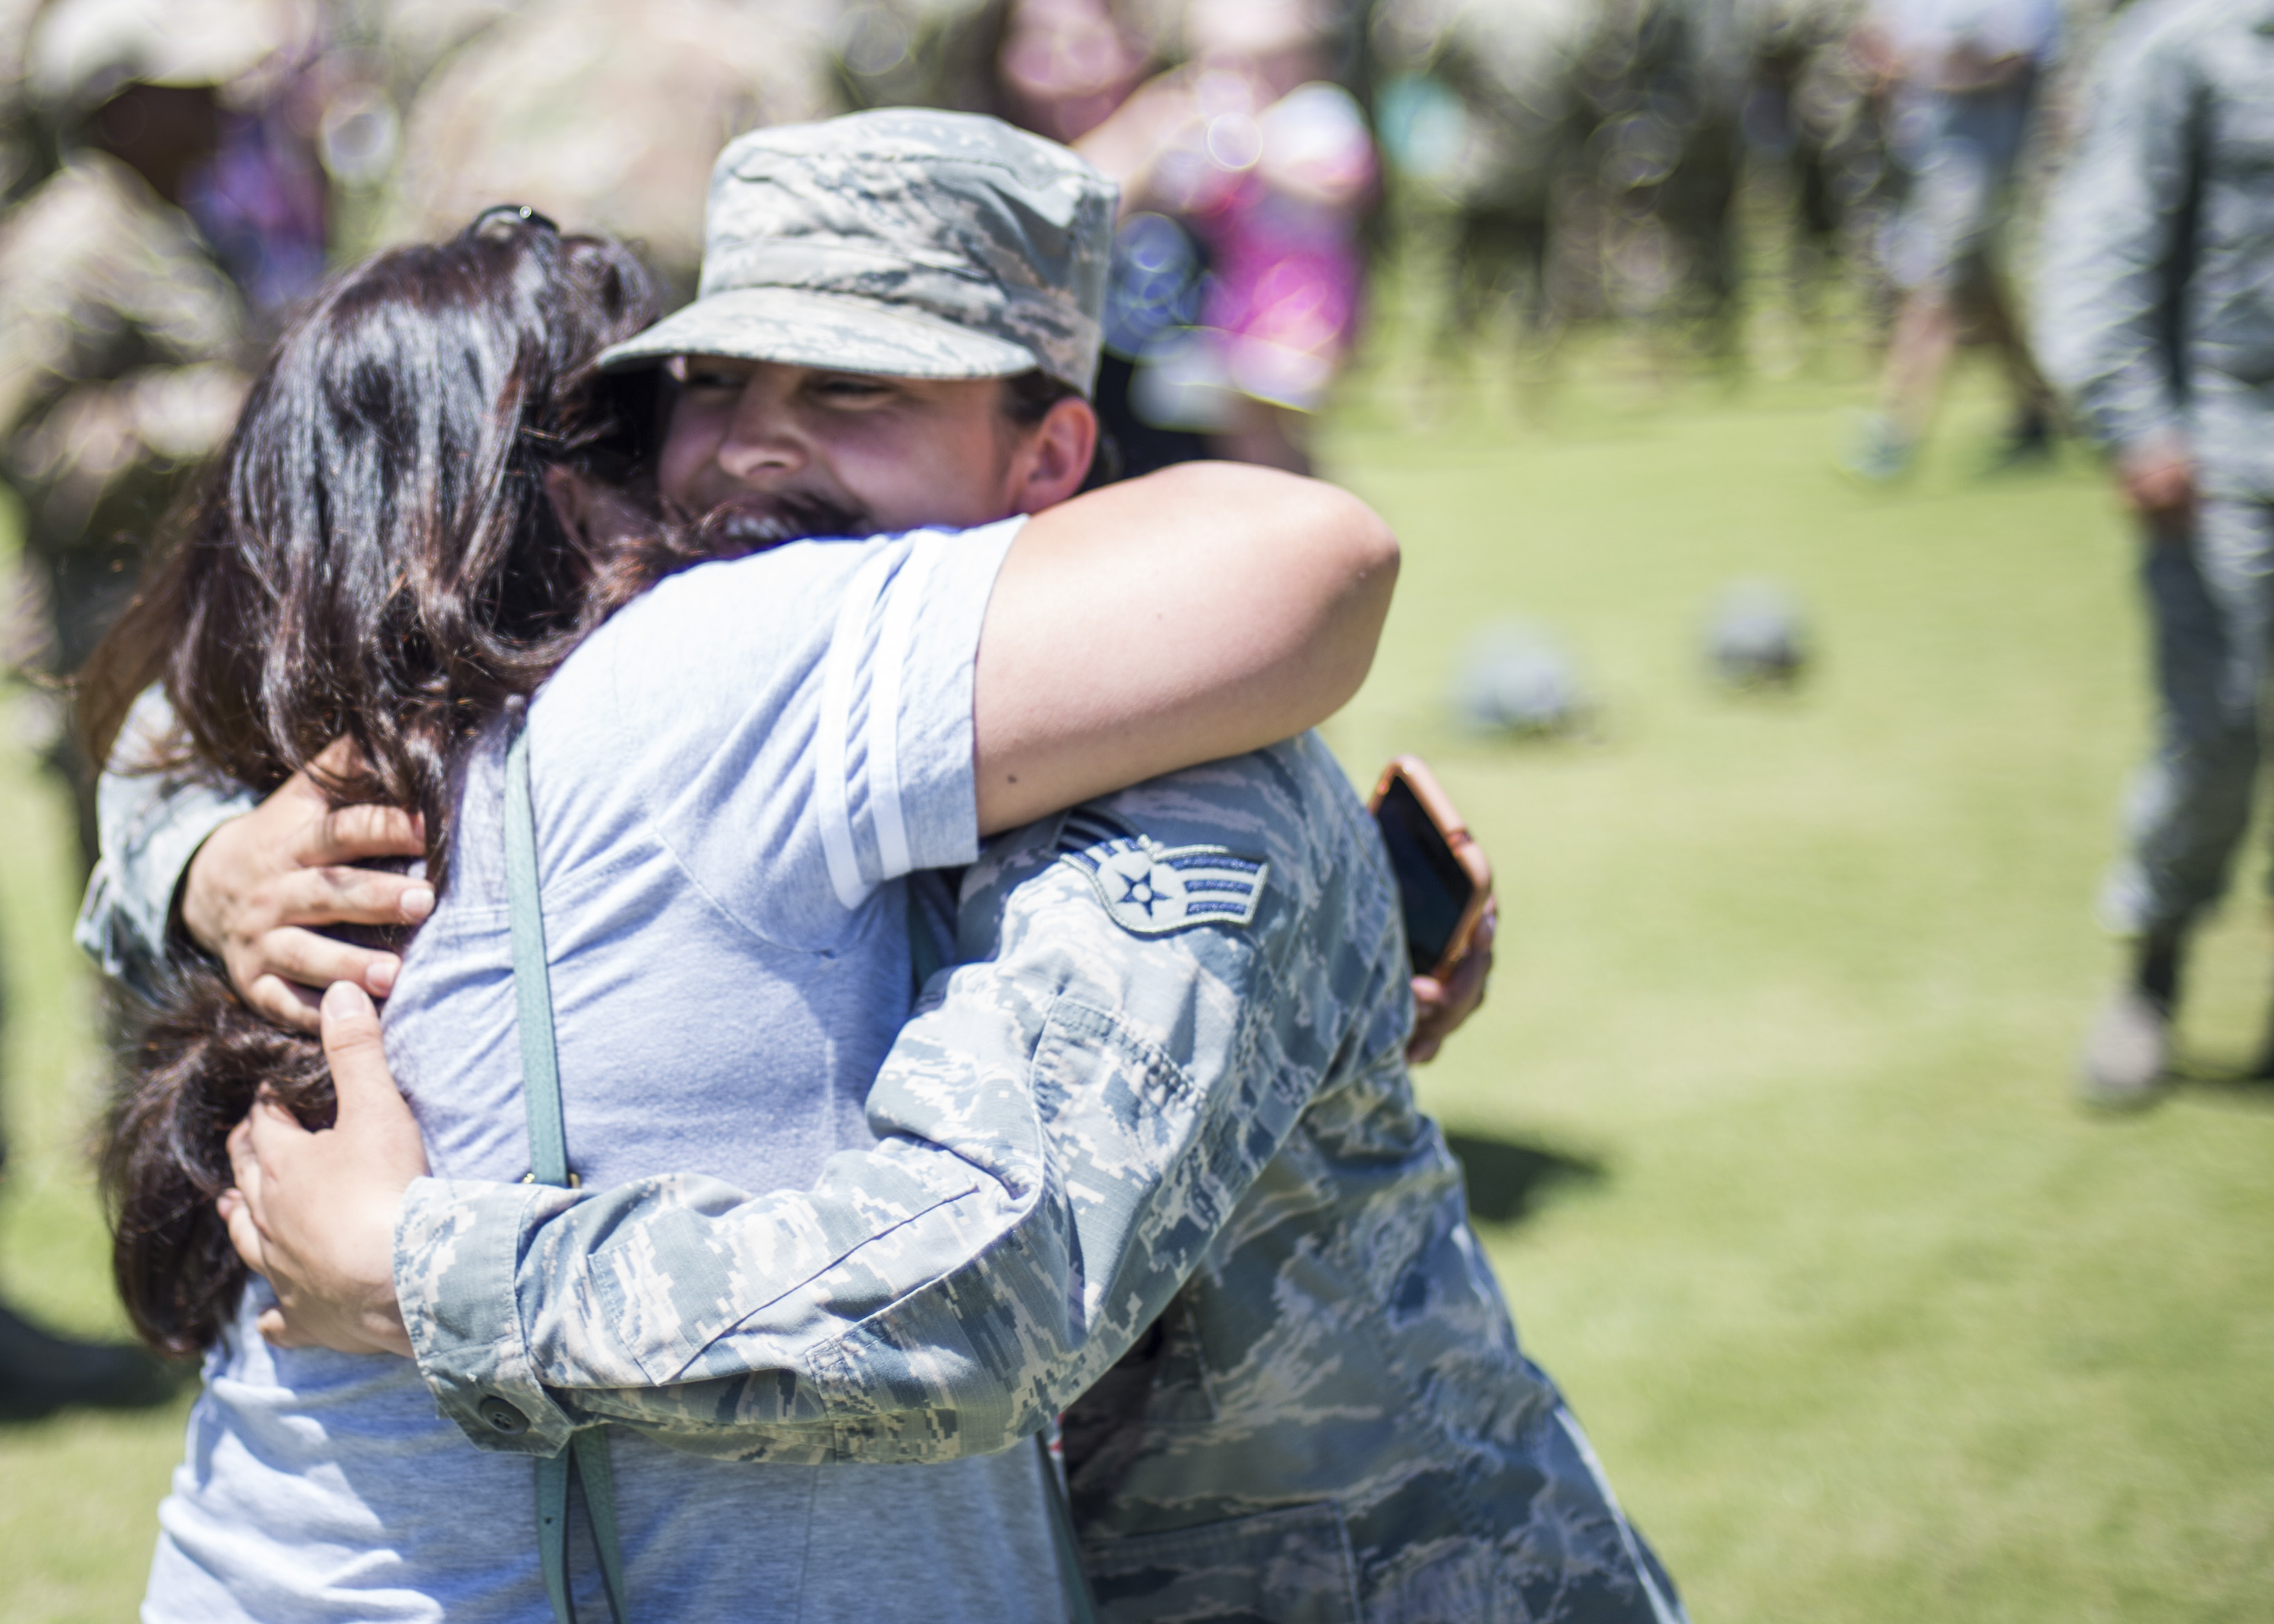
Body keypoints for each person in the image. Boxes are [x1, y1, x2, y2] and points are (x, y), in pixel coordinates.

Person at [100, 110, 1679, 1621]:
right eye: (712, 385)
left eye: (860, 391)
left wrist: (421, 1266)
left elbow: (982, 1300)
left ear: (1050, 454)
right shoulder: (753, 678)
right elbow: (313, 631)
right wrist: (201, 856)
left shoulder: (1184, 782)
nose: (755, 445)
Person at [2037, 0, 2274, 1106]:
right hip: (2228, 445)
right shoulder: (2194, 41)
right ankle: (2153, 970)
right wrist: (2131, 422)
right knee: (2218, 723)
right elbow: (2105, 232)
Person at [1844, 0, 2062, 480]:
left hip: (1980, 155)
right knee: (1981, 286)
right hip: (1916, 147)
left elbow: (2013, 61)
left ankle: (1892, 431)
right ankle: (2037, 409)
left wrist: (1926, 70)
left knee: (1934, 285)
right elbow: (1874, 36)